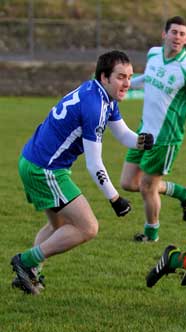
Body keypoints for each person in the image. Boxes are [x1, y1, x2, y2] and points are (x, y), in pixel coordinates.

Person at [11, 50, 154, 295]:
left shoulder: (100, 95)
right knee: (88, 227)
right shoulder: (95, 105)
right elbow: (94, 163)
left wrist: (141, 141)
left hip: (34, 161)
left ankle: (29, 274)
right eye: (121, 77)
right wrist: (115, 199)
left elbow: (121, 134)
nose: (127, 83)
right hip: (45, 169)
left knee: (59, 225)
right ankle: (25, 261)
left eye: (130, 77)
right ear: (104, 77)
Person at [120, 16, 186, 243]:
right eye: (174, 32)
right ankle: (184, 193)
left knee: (147, 187)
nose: (177, 37)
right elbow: (148, 78)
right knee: (128, 183)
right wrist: (125, 84)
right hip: (143, 131)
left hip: (166, 138)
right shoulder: (153, 53)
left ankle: (151, 234)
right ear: (164, 34)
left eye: (182, 34)